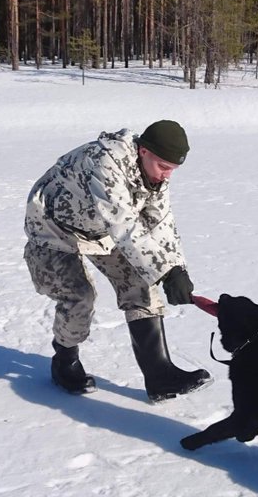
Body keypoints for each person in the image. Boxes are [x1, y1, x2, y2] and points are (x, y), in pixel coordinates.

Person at [24, 120, 210, 402]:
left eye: (173, 169)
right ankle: (65, 361)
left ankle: (160, 376)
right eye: (163, 166)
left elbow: (160, 223)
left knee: (141, 284)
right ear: (144, 151)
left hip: (100, 229)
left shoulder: (155, 177)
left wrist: (176, 268)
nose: (167, 175)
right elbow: (125, 226)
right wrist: (165, 271)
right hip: (53, 230)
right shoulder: (105, 162)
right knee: (79, 297)